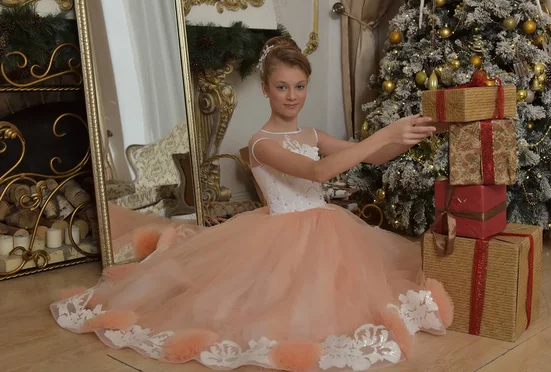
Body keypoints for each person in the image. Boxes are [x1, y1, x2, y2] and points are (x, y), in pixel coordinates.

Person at [50, 37, 453, 372]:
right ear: (265, 89)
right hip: (281, 235)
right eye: (282, 86)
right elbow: (318, 174)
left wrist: (403, 137)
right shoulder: (261, 143)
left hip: (329, 228)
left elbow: (372, 157)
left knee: (345, 289)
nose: (292, 95)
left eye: (299, 86)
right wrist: (383, 133)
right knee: (274, 305)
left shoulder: (311, 133)